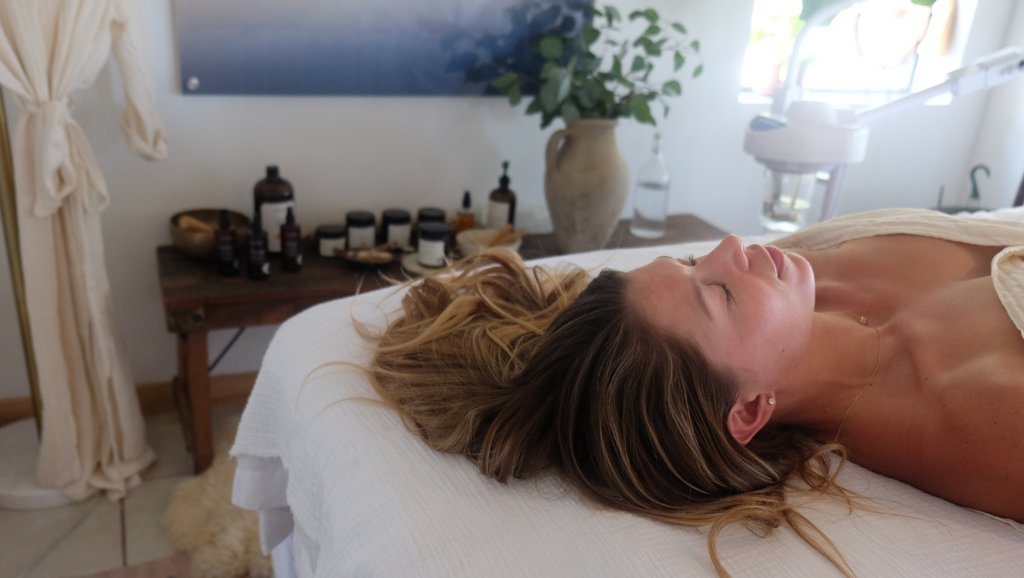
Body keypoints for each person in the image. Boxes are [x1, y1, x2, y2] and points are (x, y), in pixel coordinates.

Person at [366, 209, 1024, 578]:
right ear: (747, 411)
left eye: (690, 264)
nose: (732, 246)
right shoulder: (984, 415)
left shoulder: (797, 286)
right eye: (719, 292)